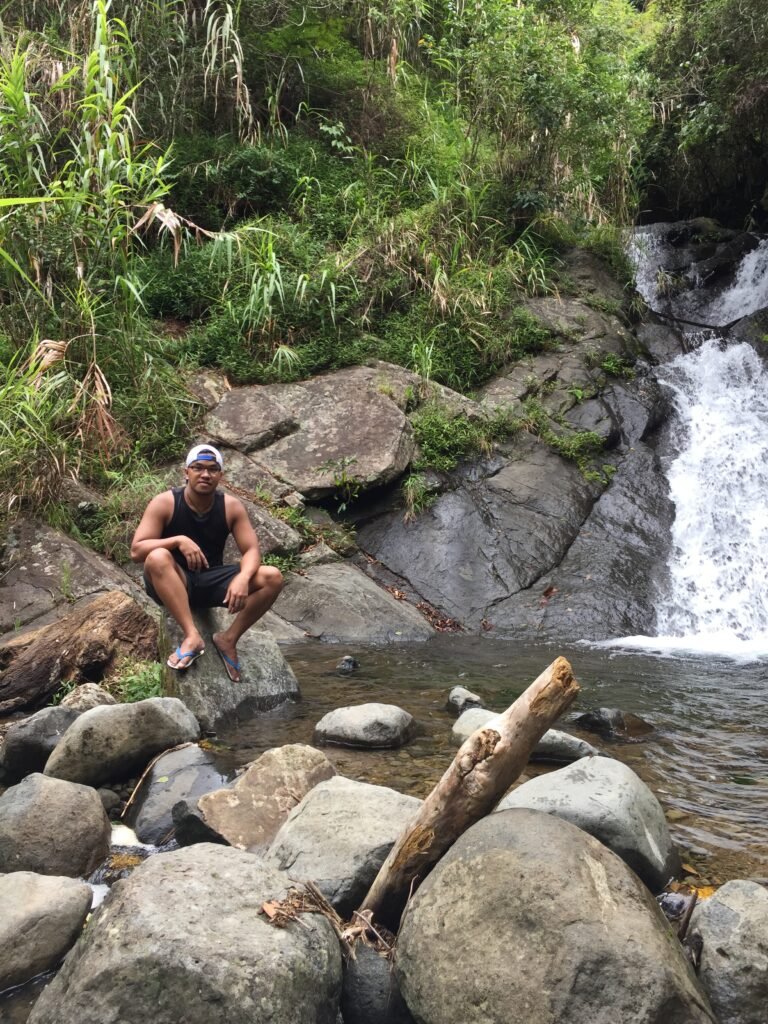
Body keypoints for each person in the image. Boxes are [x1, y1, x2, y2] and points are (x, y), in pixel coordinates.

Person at [131, 444, 284, 682]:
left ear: (220, 476)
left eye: (213, 469)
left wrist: (243, 578)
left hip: (210, 580)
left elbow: (252, 549)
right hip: (173, 580)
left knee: (272, 577)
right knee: (158, 556)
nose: (205, 474)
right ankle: (192, 636)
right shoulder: (166, 503)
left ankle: (228, 639)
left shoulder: (230, 506)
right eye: (198, 468)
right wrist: (177, 541)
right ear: (186, 472)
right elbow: (137, 550)